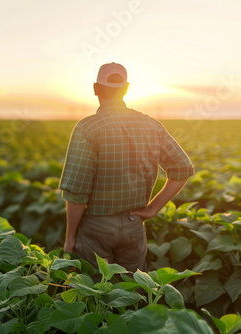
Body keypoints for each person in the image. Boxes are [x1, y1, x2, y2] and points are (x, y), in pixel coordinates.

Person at [59, 62, 194, 272]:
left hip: (96, 227)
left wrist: (70, 238)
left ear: (95, 88)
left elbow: (76, 193)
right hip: (134, 226)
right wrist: (153, 208)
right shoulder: (152, 126)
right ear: (127, 88)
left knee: (95, 293)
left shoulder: (87, 128)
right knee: (133, 293)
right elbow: (183, 168)